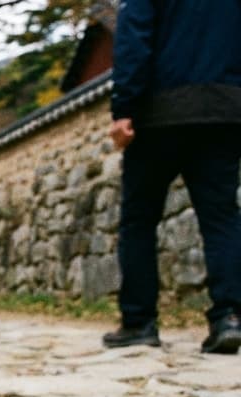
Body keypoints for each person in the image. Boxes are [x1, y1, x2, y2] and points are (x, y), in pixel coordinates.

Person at [103, 0, 241, 354]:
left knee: (139, 220)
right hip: (224, 109)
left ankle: (138, 322)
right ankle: (229, 317)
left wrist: (124, 108)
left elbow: (134, 35)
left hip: (158, 113)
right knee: (222, 217)